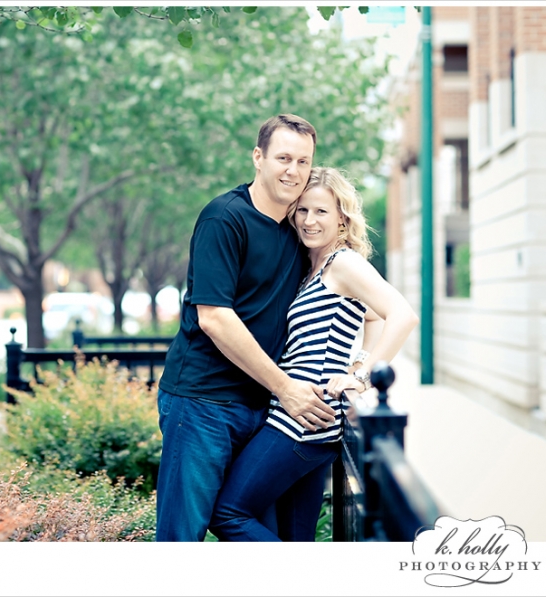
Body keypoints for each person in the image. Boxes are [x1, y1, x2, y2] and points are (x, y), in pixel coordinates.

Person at [209, 167, 419, 542]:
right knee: (296, 537)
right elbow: (370, 316)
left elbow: (402, 315)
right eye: (302, 210)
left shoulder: (344, 262)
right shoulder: (315, 267)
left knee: (228, 513)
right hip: (303, 417)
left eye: (321, 211)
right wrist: (357, 358)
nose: (309, 220)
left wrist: (360, 375)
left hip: (304, 422)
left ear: (342, 216)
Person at [156, 115, 339, 542]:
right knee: (183, 535)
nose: (293, 170)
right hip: (204, 402)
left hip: (263, 409)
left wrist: (357, 370)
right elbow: (214, 317)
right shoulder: (225, 218)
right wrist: (287, 387)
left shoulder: (300, 229)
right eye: (283, 158)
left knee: (249, 526)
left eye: (303, 161)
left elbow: (352, 303)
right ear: (258, 158)